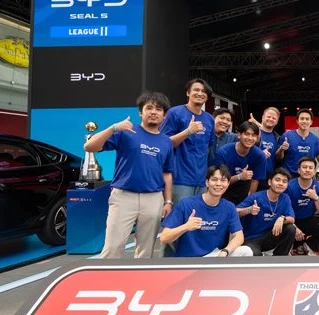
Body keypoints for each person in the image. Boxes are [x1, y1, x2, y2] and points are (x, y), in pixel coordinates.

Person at [83, 91, 174, 259]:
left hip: (153, 199)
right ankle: (106, 277)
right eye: (149, 108)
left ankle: (140, 277)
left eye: (158, 109)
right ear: (140, 112)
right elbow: (89, 147)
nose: (153, 112)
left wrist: (168, 201)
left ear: (164, 115)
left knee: (146, 251)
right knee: (113, 248)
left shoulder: (166, 142)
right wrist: (113, 128)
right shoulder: (126, 132)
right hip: (123, 197)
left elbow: (167, 173)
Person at [160, 165, 249, 257]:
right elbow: (164, 237)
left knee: (246, 251)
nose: (218, 184)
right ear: (207, 182)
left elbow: (239, 236)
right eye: (214, 180)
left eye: (223, 180)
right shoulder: (186, 204)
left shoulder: (229, 207)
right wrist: (186, 227)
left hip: (213, 256)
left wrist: (226, 251)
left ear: (228, 184)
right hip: (188, 259)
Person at [161, 78, 215, 203]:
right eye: (196, 90)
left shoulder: (209, 119)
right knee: (180, 214)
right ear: (187, 93)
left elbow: (208, 148)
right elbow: (163, 144)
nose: (200, 93)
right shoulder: (175, 113)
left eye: (204, 91)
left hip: (201, 181)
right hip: (179, 180)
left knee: (198, 214)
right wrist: (188, 132)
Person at [235, 167, 296, 256]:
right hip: (251, 239)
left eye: (284, 181)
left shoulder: (285, 198)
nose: (280, 183)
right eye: (277, 180)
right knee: (256, 256)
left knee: (290, 228)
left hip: (269, 237)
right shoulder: (256, 197)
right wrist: (248, 210)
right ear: (270, 182)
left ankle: (279, 259)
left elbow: (292, 218)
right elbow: (234, 212)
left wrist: (282, 218)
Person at [285, 156, 319, 255]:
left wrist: (315, 198)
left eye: (310, 168)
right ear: (299, 170)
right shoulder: (290, 186)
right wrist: (294, 227)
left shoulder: (318, 186)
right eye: (304, 167)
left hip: (308, 220)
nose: (307, 170)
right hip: (291, 222)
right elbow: (282, 211)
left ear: (314, 171)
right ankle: (289, 247)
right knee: (285, 226)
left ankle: (308, 247)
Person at [213, 121, 266, 205]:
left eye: (253, 135)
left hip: (244, 191)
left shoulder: (259, 155)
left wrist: (249, 201)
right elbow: (219, 181)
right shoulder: (223, 152)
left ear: (257, 138)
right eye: (246, 134)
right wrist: (239, 176)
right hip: (223, 191)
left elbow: (255, 181)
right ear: (238, 135)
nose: (250, 138)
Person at [276, 109, 319, 175]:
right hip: (289, 176)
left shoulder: (315, 140)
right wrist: (281, 149)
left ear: (311, 122)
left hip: (307, 176)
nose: (304, 121)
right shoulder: (287, 136)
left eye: (307, 119)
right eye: (302, 119)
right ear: (297, 121)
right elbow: (278, 157)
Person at [250, 107, 281, 190]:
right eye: (268, 116)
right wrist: (260, 154)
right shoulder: (252, 133)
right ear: (263, 117)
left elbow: (278, 158)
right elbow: (244, 150)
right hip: (252, 173)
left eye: (274, 118)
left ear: (277, 121)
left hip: (268, 176)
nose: (271, 119)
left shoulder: (277, 138)